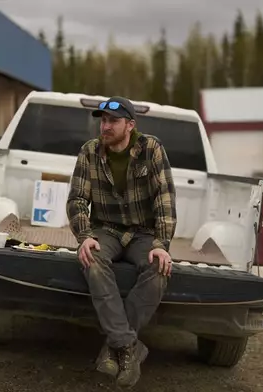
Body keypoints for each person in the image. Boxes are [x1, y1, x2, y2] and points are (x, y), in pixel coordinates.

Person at [66, 96, 177, 387]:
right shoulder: (89, 152)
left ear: (130, 125)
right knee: (91, 259)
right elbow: (77, 200)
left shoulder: (151, 149)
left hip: (143, 233)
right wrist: (85, 236)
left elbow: (164, 199)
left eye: (113, 121)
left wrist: (161, 245)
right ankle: (129, 345)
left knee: (159, 269)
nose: (105, 126)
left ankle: (113, 346)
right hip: (107, 230)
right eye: (103, 120)